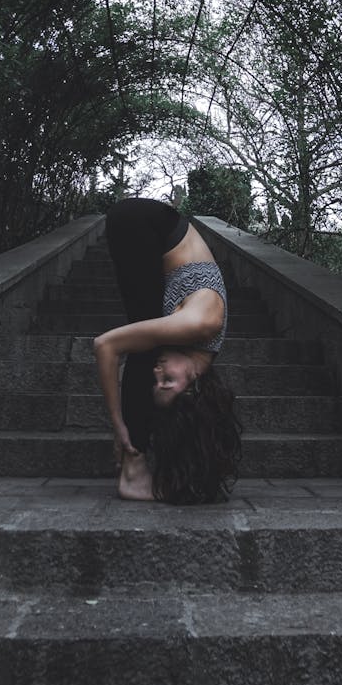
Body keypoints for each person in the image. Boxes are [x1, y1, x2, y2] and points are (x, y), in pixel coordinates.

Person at [93, 197, 242, 504]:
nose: (159, 374)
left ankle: (137, 467)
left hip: (151, 230)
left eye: (159, 383)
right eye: (168, 382)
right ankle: (133, 468)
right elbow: (105, 345)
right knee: (144, 351)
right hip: (144, 223)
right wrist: (118, 424)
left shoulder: (195, 351)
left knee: (147, 349)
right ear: (195, 386)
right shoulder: (198, 326)